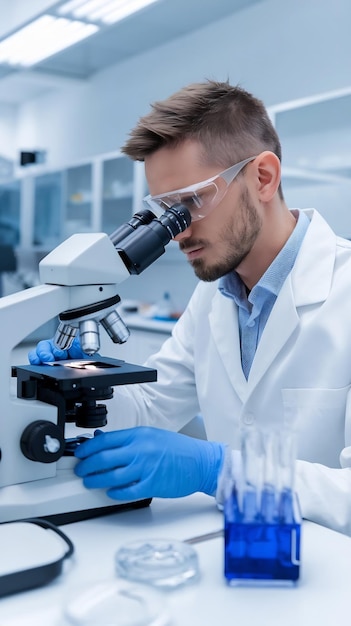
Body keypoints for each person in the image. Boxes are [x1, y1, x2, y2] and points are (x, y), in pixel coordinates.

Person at [29, 80, 351, 536]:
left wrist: (217, 470)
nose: (177, 233)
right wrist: (78, 387)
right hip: (228, 562)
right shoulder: (214, 295)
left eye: (193, 201)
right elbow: (152, 409)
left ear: (263, 177)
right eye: (165, 211)